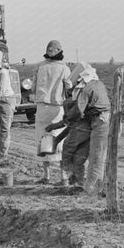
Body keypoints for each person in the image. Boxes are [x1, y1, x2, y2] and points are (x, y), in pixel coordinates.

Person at [45, 62, 110, 194]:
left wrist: (56, 126)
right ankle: (83, 184)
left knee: (96, 157)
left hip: (101, 121)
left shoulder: (85, 90)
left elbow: (75, 115)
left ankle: (91, 189)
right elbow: (73, 124)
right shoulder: (98, 84)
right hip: (96, 120)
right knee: (85, 156)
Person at [32, 40, 72, 185]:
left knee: (43, 140)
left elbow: (33, 87)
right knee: (60, 141)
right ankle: (63, 177)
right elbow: (69, 89)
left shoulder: (39, 66)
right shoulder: (65, 69)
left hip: (42, 108)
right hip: (58, 109)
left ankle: (46, 176)